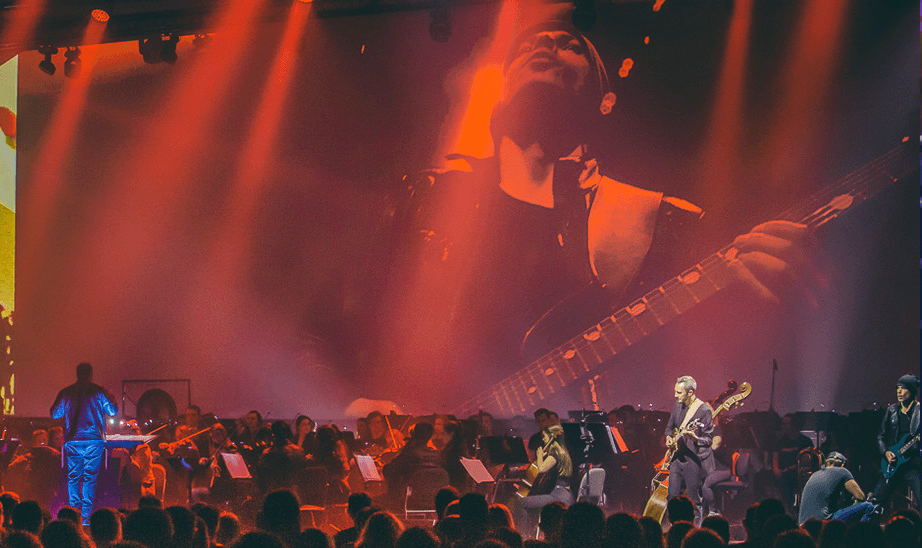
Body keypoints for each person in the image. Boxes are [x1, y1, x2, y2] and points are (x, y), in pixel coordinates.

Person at [346, 19, 808, 414]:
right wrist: (352, 399)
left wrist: (769, 305)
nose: (543, 45)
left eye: (569, 45)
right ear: (500, 98)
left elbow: (708, 352)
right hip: (427, 437)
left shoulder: (660, 218)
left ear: (605, 101)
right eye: (525, 47)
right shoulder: (426, 196)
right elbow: (342, 318)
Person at [50, 362, 118, 524]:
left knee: (73, 477)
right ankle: (85, 519)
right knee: (90, 478)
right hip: (94, 440)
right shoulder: (100, 392)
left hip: (73, 440)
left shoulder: (66, 392)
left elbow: (54, 413)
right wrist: (111, 396)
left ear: (77, 374)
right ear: (91, 374)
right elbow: (112, 412)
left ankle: (74, 516)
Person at [663, 375, 714, 523]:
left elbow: (708, 440)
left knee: (694, 500)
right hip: (676, 459)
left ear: (690, 392)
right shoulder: (677, 405)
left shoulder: (704, 411)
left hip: (693, 461)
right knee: (672, 498)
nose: (675, 395)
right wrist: (668, 437)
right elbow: (669, 427)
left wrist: (695, 438)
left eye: (679, 392)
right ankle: (674, 531)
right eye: (675, 391)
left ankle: (695, 533)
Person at [509, 424, 574, 532]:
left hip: (559, 496)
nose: (543, 439)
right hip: (562, 493)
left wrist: (539, 456)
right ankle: (531, 530)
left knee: (520, 503)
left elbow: (542, 468)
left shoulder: (556, 454)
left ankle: (524, 533)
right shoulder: (563, 453)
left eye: (545, 436)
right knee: (529, 502)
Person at [871, 374, 921, 512]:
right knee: (874, 502)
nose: (899, 392)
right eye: (897, 388)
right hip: (893, 463)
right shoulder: (892, 410)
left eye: (903, 388)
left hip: (914, 465)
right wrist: (886, 452)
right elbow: (881, 436)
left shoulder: (919, 411)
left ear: (911, 390)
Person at [798, 452, 868, 524]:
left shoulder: (815, 474)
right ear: (842, 464)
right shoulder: (842, 471)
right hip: (823, 522)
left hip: (804, 525)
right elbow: (860, 497)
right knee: (869, 507)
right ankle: (860, 533)